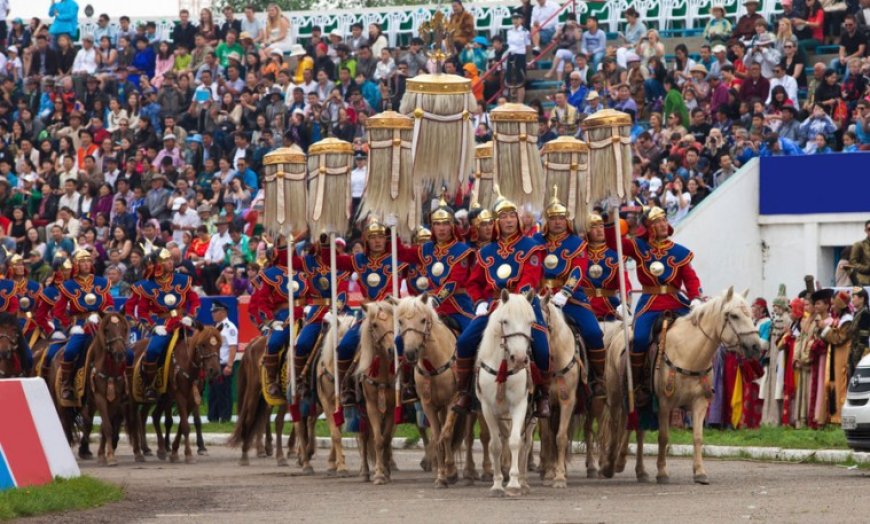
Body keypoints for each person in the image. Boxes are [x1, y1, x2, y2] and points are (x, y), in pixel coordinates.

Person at [453, 190, 551, 417]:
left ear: (518, 219)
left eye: (512, 216)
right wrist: (478, 301)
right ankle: (464, 391)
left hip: (524, 303)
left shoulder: (531, 247)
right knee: (465, 341)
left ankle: (543, 395)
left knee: (542, 348)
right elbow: (473, 282)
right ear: (497, 222)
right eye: (504, 217)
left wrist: (515, 301)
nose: (509, 221)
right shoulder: (486, 252)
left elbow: (530, 279)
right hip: (494, 304)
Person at [606, 206, 703, 406]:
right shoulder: (639, 247)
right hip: (650, 302)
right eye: (657, 222)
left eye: (663, 220)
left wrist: (695, 298)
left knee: (699, 331)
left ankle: (699, 380)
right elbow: (613, 243)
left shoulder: (679, 252)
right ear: (649, 227)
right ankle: (638, 383)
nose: (662, 224)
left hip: (676, 301)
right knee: (640, 338)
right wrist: (612, 221)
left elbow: (690, 279)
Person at [534, 191, 607, 396]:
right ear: (547, 220)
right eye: (553, 218)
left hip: (571, 298)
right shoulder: (535, 241)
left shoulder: (577, 243)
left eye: (561, 218)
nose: (557, 222)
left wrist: (565, 292)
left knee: (593, 333)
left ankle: (598, 378)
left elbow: (578, 270)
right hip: (540, 296)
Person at [335, 218, 406, 406]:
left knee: (409, 344)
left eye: (381, 237)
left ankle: (408, 386)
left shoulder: (397, 258)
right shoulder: (359, 260)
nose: (377, 241)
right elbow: (332, 261)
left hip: (392, 313)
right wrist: (326, 243)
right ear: (366, 240)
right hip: (368, 315)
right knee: (344, 346)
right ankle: (346, 387)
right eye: (372, 237)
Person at [125, 248, 200, 402]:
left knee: (202, 347)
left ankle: (198, 383)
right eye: (166, 260)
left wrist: (191, 316)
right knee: (152, 350)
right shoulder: (147, 286)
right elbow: (143, 312)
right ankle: (150, 385)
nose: (170, 262)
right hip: (161, 325)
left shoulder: (183, 279)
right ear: (157, 264)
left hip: (183, 322)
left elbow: (195, 300)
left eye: (171, 259)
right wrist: (153, 327)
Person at [248, 241, 307, 398]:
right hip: (283, 314)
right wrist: (270, 320)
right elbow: (261, 301)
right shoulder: (270, 274)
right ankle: (273, 380)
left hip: (306, 311)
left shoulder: (304, 270)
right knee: (274, 343)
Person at [55, 248, 115, 401]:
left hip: (101, 322)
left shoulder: (101, 282)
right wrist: (70, 326)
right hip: (80, 324)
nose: (87, 264)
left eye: (89, 261)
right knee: (70, 351)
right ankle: (67, 383)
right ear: (76, 265)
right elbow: (59, 312)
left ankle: (121, 383)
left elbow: (109, 304)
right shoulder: (68, 285)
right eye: (83, 262)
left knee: (121, 349)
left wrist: (104, 316)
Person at [208, 301, 237, 423]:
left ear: (223, 312)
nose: (213, 314)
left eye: (215, 311)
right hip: (214, 365)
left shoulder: (230, 328)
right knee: (213, 392)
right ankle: (213, 417)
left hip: (224, 364)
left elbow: (232, 347)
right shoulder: (216, 327)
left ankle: (225, 417)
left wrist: (229, 365)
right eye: (212, 312)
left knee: (223, 392)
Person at [848, 288, 870, 377]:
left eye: (854, 297)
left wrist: (856, 358)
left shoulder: (865, 314)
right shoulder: (857, 313)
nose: (852, 299)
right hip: (854, 350)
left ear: (862, 299)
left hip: (861, 352)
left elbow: (863, 339)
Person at [849, 220, 870, 286]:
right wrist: (867, 268)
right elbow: (853, 263)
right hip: (865, 282)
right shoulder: (859, 245)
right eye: (869, 229)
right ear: (866, 231)